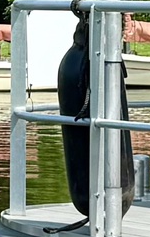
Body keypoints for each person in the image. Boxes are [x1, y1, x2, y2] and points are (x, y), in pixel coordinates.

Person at [57, 12, 135, 216]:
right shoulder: (84, 60)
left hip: (85, 61)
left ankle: (108, 204)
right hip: (87, 196)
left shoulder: (76, 60)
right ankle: (104, 205)